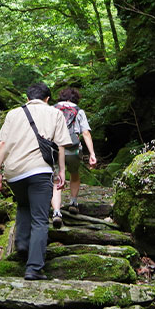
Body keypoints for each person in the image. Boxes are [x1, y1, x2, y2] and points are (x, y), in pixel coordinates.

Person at [0, 82, 72, 280]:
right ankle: (34, 268)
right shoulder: (55, 114)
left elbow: (2, 144)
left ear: (27, 98)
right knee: (39, 218)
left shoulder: (13, 114)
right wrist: (61, 171)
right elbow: (61, 145)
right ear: (47, 99)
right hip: (39, 171)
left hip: (14, 172)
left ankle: (22, 245)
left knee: (23, 205)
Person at [50, 86, 97, 227]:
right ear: (76, 98)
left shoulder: (52, 109)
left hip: (55, 148)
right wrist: (92, 154)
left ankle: (57, 212)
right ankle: (73, 202)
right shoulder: (79, 111)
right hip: (73, 149)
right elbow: (86, 133)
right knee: (75, 174)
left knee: (56, 179)